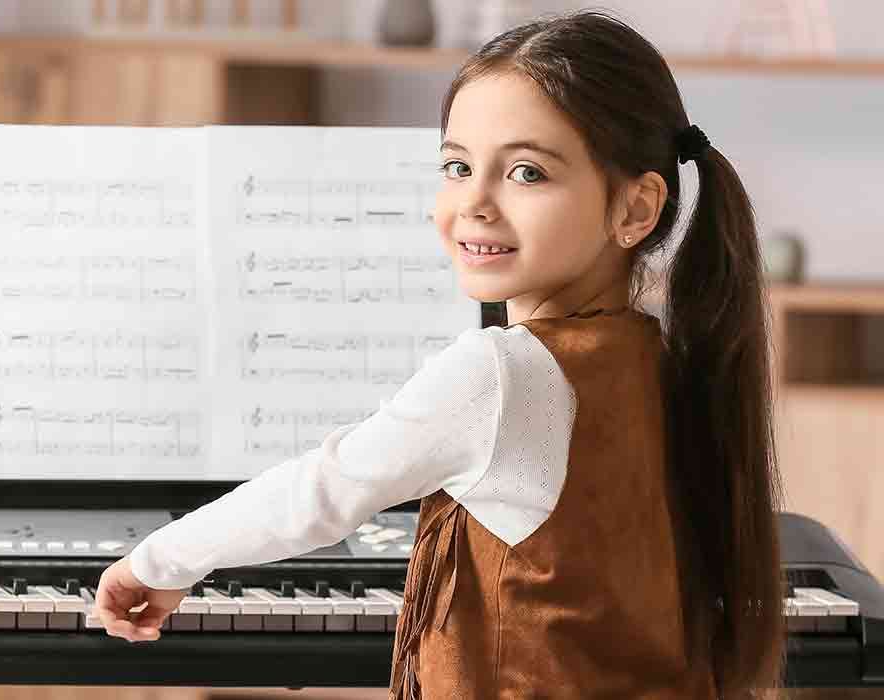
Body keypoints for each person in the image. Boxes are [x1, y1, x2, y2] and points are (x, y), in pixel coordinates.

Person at [91, 12, 785, 698]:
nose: (474, 203)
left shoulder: (503, 374)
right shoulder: (656, 353)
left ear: (635, 210)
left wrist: (157, 563)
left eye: (526, 172)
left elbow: (323, 493)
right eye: (456, 166)